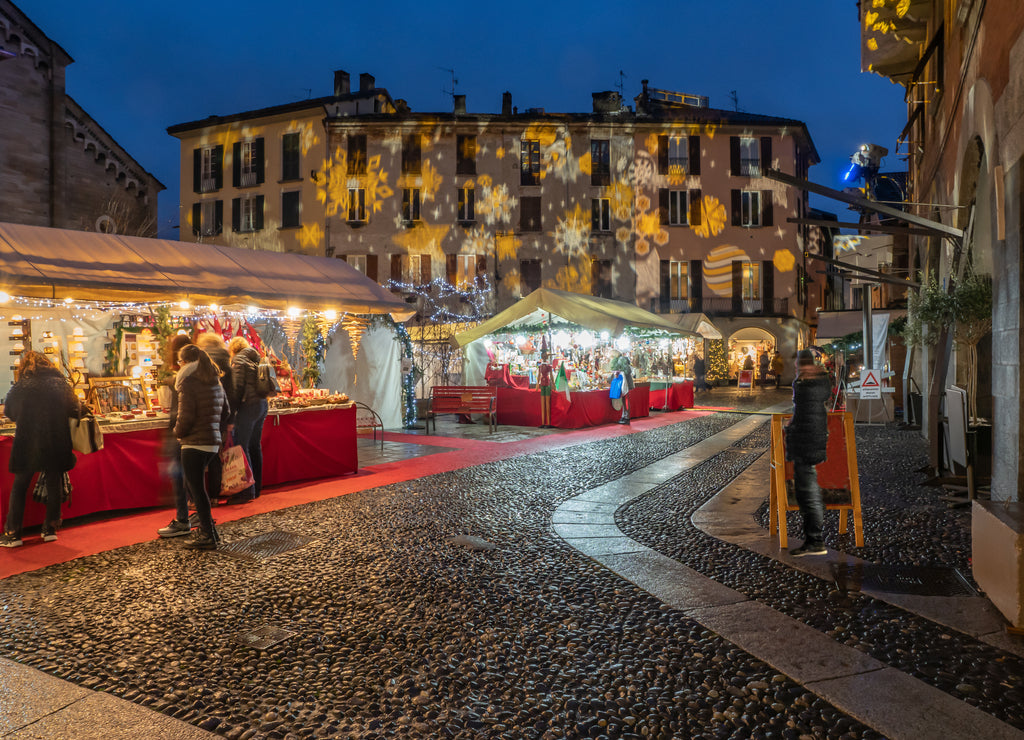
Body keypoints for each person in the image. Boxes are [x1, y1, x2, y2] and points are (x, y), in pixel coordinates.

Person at [0, 351, 85, 547]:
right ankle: (50, 529)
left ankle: (13, 533)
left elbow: (9, 411)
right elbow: (74, 408)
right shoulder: (60, 384)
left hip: (28, 443)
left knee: (20, 486)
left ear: (26, 366)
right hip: (56, 441)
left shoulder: (22, 385)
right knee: (54, 483)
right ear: (47, 364)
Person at [174, 344, 230, 550]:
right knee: (196, 488)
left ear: (186, 363)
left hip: (193, 443)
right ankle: (210, 531)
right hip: (211, 441)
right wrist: (215, 429)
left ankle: (207, 534)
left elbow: (185, 417)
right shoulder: (215, 381)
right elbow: (226, 411)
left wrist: (177, 432)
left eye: (179, 362)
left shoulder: (187, 383)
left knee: (196, 490)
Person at [784, 349, 831, 557]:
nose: (796, 368)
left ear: (803, 364)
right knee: (807, 490)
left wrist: (792, 427)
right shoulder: (819, 380)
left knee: (808, 492)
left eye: (797, 365)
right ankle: (814, 539)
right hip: (812, 437)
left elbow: (803, 411)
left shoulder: (806, 382)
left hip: (806, 440)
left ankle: (815, 540)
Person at [157, 334, 196, 538]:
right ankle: (196, 518)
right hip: (194, 436)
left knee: (179, 475)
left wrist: (176, 432)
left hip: (182, 435)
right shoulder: (203, 376)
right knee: (190, 476)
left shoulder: (182, 379)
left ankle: (184, 519)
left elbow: (181, 412)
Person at [228, 336, 269, 504]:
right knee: (254, 446)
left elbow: (237, 388)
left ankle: (246, 491)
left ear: (233, 349)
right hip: (261, 405)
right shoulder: (256, 359)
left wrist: (231, 413)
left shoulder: (238, 361)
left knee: (242, 447)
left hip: (248, 407)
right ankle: (257, 487)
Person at [196, 333, 235, 502]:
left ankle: (198, 498)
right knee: (216, 456)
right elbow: (232, 393)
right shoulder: (227, 362)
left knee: (198, 456)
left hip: (203, 413)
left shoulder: (199, 360)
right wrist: (230, 419)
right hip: (221, 414)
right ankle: (214, 495)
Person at [609, 349, 634, 424]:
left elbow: (627, 371)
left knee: (625, 399)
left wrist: (618, 372)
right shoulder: (619, 360)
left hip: (624, 382)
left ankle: (627, 417)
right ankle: (624, 416)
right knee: (624, 400)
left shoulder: (621, 360)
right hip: (623, 381)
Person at [537, 351, 553, 428]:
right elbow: (538, 375)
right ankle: (543, 423)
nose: (544, 358)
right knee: (543, 404)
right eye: (543, 356)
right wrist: (537, 384)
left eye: (545, 356)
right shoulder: (540, 366)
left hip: (547, 384)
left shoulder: (549, 366)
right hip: (543, 385)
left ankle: (548, 423)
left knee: (547, 404)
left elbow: (552, 376)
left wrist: (553, 384)